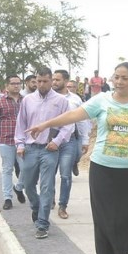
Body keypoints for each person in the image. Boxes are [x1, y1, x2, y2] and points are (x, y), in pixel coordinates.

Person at [26, 62, 128, 254]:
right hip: (102, 168)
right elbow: (74, 115)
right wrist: (45, 124)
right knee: (103, 216)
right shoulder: (102, 100)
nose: (119, 82)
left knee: (126, 217)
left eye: (124, 78)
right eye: (116, 77)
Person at [15, 67, 73, 239]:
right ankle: (36, 206)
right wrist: (19, 144)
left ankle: (42, 223)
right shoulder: (27, 100)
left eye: (45, 81)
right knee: (27, 184)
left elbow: (68, 124)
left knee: (47, 187)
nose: (41, 84)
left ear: (50, 80)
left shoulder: (61, 101)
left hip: (49, 149)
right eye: (38, 81)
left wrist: (57, 141)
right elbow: (21, 123)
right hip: (30, 149)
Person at [52, 69, 91, 219]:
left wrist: (85, 139)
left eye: (57, 79)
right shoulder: (48, 98)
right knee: (49, 174)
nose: (54, 82)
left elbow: (82, 120)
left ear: (66, 80)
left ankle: (63, 206)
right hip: (51, 140)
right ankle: (50, 199)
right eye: (53, 79)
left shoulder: (75, 99)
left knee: (65, 175)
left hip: (69, 141)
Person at [0, 75, 23, 210]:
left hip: (23, 142)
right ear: (7, 86)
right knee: (7, 170)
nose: (16, 86)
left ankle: (18, 187)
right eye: (13, 83)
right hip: (6, 140)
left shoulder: (26, 101)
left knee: (26, 169)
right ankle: (7, 198)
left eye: (18, 83)